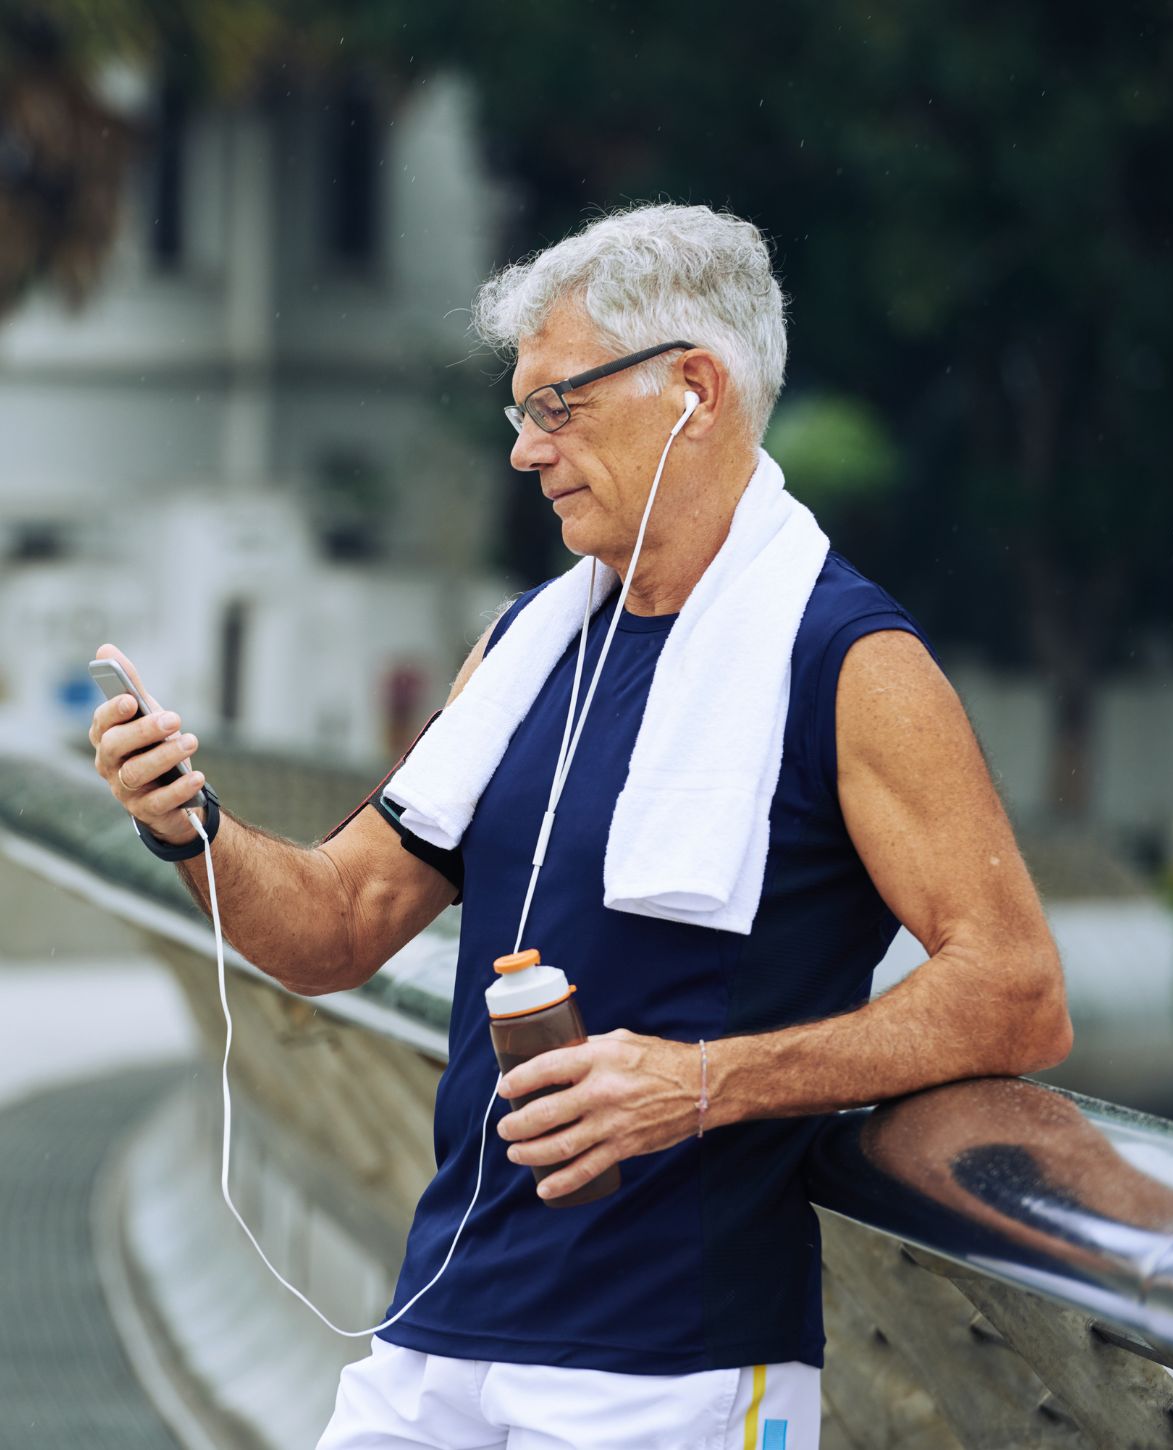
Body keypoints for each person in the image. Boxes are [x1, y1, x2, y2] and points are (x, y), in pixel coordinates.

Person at [89, 203, 1072, 1450]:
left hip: (672, 1367)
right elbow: (336, 925)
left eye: (558, 406)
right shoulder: (521, 646)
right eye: (521, 413)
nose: (525, 450)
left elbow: (1017, 990)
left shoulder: (850, 662)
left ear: (694, 390)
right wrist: (190, 825)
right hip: (438, 1325)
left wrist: (699, 1082)